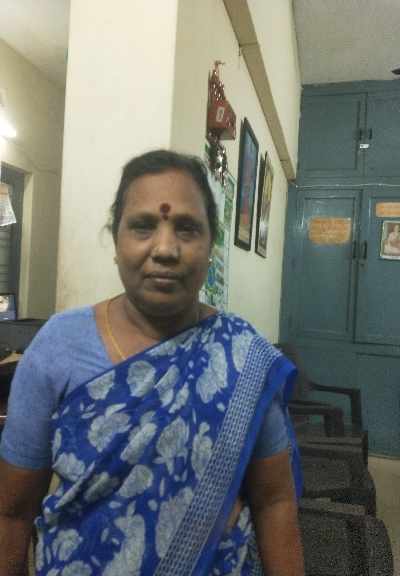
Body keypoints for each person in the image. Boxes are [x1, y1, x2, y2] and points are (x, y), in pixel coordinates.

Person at [0, 150, 304, 575]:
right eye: (143, 226)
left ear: (211, 246)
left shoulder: (243, 357)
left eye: (187, 228)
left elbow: (275, 502)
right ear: (116, 240)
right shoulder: (57, 347)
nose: (165, 248)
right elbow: (12, 512)